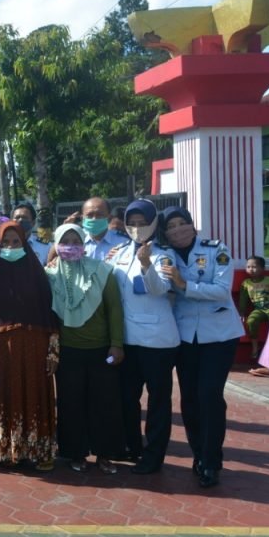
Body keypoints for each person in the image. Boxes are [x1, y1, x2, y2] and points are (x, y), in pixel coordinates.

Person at [159, 205, 241, 488]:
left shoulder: (215, 249)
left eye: (182, 223)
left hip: (218, 334)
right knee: (190, 399)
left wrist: (184, 284)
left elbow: (221, 290)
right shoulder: (164, 254)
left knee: (210, 395)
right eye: (170, 226)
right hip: (184, 335)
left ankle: (212, 460)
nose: (177, 229)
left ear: (192, 225)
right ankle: (198, 454)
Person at [0, 220, 58, 469]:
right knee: (5, 398)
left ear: (25, 242)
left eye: (16, 242)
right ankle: (7, 450)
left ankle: (39, 451)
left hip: (35, 348)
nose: (11, 247)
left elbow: (50, 316)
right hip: (1, 350)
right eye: (5, 243)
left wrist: (53, 352)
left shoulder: (36, 274)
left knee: (36, 396)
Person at [106, 199, 179, 475]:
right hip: (126, 339)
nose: (137, 229)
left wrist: (146, 263)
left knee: (158, 401)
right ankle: (131, 446)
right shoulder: (118, 252)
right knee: (126, 397)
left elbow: (160, 290)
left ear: (154, 224)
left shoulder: (163, 255)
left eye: (143, 223)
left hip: (157, 341)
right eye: (132, 224)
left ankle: (154, 455)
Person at [46, 223, 125, 475]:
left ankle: (105, 454)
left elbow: (114, 309)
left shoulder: (102, 271)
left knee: (104, 403)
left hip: (101, 349)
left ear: (83, 243)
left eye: (75, 240)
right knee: (70, 403)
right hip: (68, 350)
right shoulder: (48, 273)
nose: (70, 245)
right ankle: (75, 453)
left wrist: (116, 344)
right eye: (65, 240)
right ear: (56, 244)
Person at [66, 197, 129, 261]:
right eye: (89, 215)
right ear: (82, 218)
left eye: (99, 215)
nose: (94, 219)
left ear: (109, 218)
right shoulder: (72, 241)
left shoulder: (123, 243)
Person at [238, 255, 269, 360]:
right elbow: (243, 299)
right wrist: (241, 313)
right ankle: (255, 347)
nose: (251, 269)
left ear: (263, 268)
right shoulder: (246, 283)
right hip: (259, 310)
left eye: (254, 266)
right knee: (251, 320)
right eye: (248, 267)